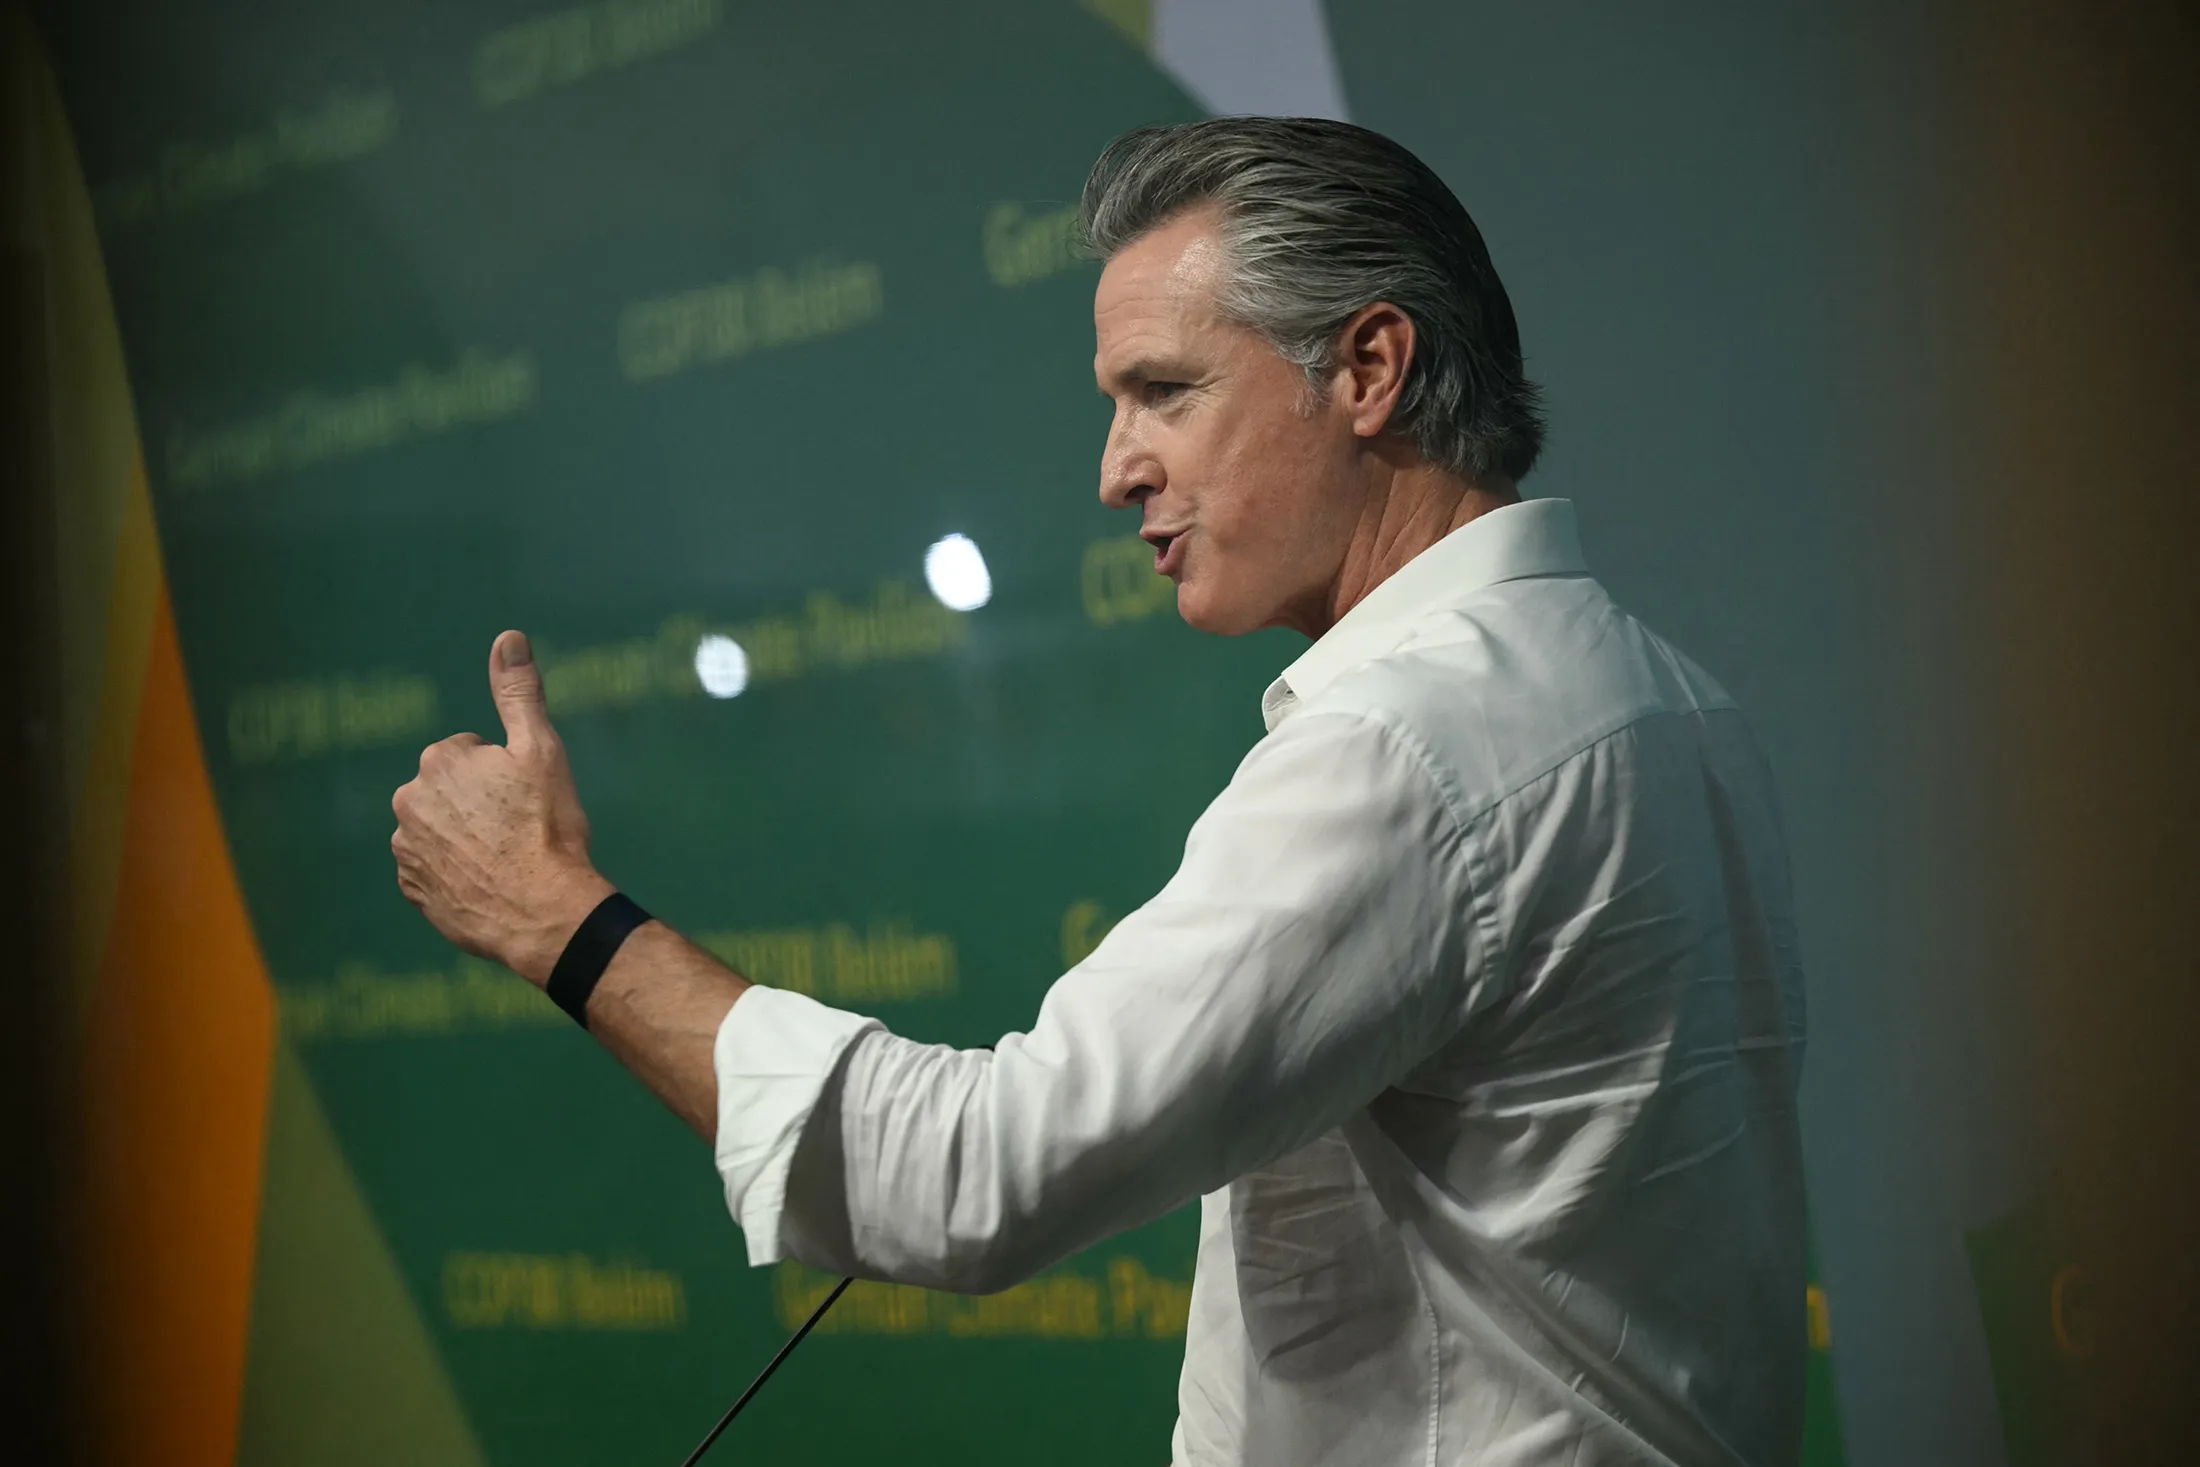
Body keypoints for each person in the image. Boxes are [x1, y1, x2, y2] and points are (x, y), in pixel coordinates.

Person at [391, 117, 1807, 1466]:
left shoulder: (1407, 746)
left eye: (1165, 392)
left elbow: (966, 1178)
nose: (1118, 469)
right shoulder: (1675, 702)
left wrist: (554, 915)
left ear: (1370, 369)